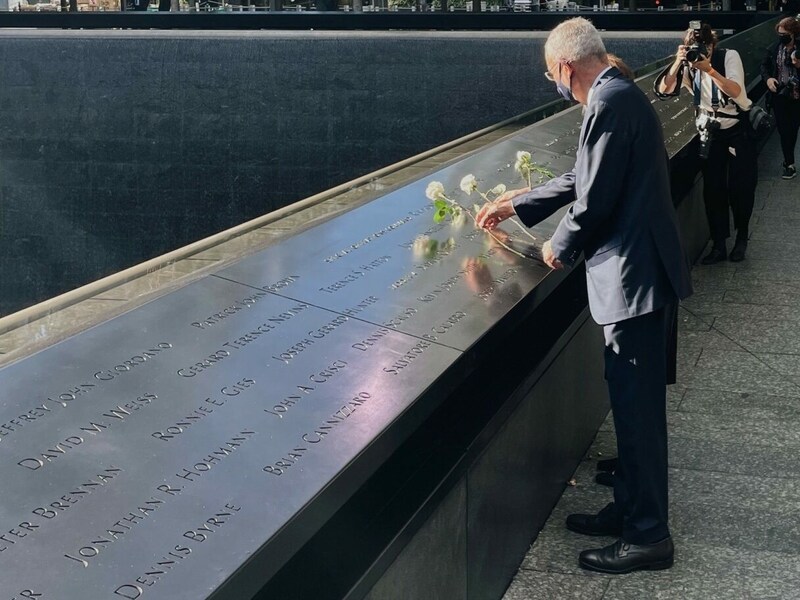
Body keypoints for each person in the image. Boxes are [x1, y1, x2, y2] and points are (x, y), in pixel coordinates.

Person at [477, 17, 692, 575]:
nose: (555, 82)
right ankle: (628, 508)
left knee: (638, 412)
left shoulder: (609, 102)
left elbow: (593, 199)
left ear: (566, 66)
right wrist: (520, 204)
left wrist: (559, 245)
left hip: (634, 280)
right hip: (642, 274)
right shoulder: (618, 94)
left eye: (552, 73)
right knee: (631, 405)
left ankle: (648, 536)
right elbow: (583, 174)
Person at [657, 23, 758, 264]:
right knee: (713, 190)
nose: (700, 54)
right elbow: (665, 89)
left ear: (712, 45)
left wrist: (710, 70)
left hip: (735, 128)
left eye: (705, 48)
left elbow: (735, 90)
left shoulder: (728, 56)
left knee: (740, 187)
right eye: (695, 49)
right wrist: (678, 62)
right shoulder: (688, 64)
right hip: (709, 131)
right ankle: (719, 244)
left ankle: (742, 238)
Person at [761, 17, 800, 180]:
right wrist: (768, 78)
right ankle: (789, 163)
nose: (781, 36)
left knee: (793, 128)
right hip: (781, 95)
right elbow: (763, 66)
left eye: (784, 33)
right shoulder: (775, 48)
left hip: (797, 94)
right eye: (779, 33)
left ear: (793, 33)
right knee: (785, 131)